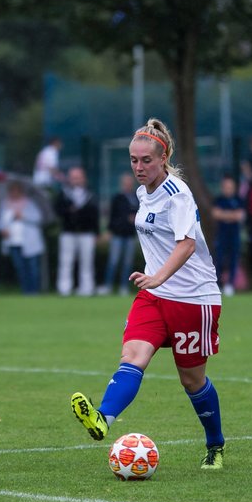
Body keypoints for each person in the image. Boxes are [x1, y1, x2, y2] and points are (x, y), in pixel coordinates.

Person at [70, 118, 225, 470]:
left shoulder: (178, 194)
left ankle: (215, 445)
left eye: (146, 161)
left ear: (163, 158)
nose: (139, 167)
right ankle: (102, 420)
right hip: (155, 295)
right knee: (132, 355)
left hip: (194, 299)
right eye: (134, 160)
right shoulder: (143, 192)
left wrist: (158, 276)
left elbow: (186, 245)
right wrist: (155, 282)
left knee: (192, 380)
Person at [53, 166, 98, 297]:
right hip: (68, 232)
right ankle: (64, 288)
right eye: (73, 178)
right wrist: (69, 211)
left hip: (86, 233)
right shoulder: (63, 193)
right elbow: (57, 210)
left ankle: (87, 289)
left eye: (78, 177)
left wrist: (96, 233)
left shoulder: (90, 194)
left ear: (83, 179)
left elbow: (95, 214)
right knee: (66, 261)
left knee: (87, 262)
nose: (76, 180)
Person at [0, 181, 45, 294]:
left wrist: (23, 216)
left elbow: (38, 219)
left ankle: (34, 291)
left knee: (33, 268)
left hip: (30, 242)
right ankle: (26, 291)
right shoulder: (4, 204)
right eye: (12, 190)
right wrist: (3, 229)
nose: (14, 193)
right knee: (20, 268)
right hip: (13, 241)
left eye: (16, 190)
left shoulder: (29, 203)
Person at [100, 172, 141, 295]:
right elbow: (112, 217)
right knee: (113, 261)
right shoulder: (117, 198)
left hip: (130, 235)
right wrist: (110, 231)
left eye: (129, 182)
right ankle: (108, 285)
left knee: (127, 263)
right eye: (125, 183)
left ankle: (124, 286)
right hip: (117, 235)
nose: (128, 185)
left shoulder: (136, 197)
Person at [211, 174, 245, 297]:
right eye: (226, 187)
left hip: (234, 235)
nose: (228, 189)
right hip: (222, 235)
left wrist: (225, 215)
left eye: (230, 187)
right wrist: (232, 215)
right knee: (219, 259)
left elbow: (240, 216)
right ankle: (218, 284)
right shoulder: (218, 200)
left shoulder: (238, 200)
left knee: (233, 259)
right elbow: (216, 214)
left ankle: (230, 284)